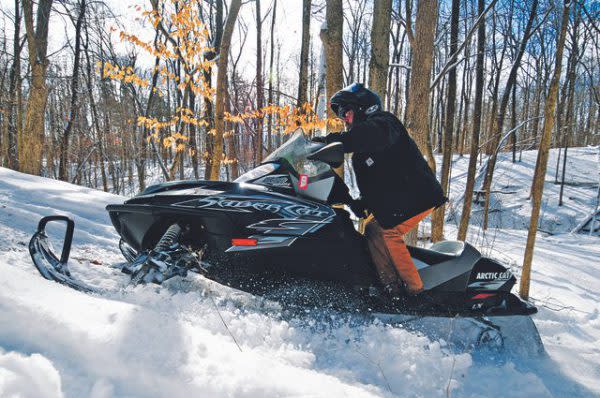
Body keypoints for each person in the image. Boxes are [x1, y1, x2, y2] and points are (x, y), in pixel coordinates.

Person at [313, 83, 446, 296]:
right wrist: (358, 203)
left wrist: (327, 141)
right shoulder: (362, 153)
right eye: (342, 117)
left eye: (347, 113)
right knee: (373, 230)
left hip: (419, 195)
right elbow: (376, 184)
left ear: (363, 108)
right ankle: (391, 288)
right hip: (400, 198)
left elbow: (367, 135)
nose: (345, 120)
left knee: (387, 232)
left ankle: (415, 293)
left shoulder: (385, 124)